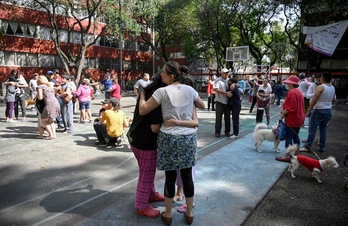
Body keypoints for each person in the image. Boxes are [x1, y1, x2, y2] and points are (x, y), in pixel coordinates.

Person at [138, 61, 205, 225]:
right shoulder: (190, 90)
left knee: (170, 176)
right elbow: (202, 105)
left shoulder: (162, 91)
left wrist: (141, 95)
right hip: (188, 138)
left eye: (163, 73)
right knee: (187, 176)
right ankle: (189, 213)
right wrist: (191, 108)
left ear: (171, 76)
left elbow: (143, 110)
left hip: (168, 138)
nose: (161, 75)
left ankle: (168, 214)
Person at [127, 73, 166, 218]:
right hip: (145, 142)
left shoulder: (147, 92)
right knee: (146, 174)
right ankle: (141, 206)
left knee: (146, 171)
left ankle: (151, 194)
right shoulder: (157, 99)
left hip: (135, 138)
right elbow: (155, 128)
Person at [302, 72, 335, 153]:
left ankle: (308, 146)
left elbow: (314, 100)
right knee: (323, 129)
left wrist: (309, 110)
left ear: (323, 78)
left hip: (318, 109)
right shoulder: (332, 87)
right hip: (328, 109)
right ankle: (322, 147)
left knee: (312, 128)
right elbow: (334, 99)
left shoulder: (320, 87)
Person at [36, 75, 61, 139]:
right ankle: (54, 134)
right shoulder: (49, 87)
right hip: (55, 103)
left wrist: (37, 96)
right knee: (51, 120)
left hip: (49, 104)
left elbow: (40, 98)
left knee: (44, 120)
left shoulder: (40, 87)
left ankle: (51, 135)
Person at [213, 68, 232, 138]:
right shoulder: (218, 80)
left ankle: (227, 131)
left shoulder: (229, 80)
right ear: (222, 73)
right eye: (225, 73)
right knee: (218, 118)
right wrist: (225, 93)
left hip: (227, 102)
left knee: (227, 118)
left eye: (227, 73)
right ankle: (217, 132)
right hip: (219, 101)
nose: (227, 74)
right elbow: (215, 89)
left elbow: (235, 84)